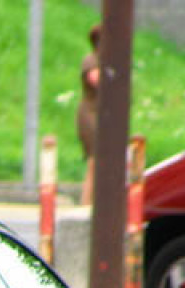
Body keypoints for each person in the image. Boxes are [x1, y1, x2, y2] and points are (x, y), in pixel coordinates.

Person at [78, 23, 102, 205]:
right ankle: (86, 202)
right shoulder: (92, 60)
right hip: (90, 114)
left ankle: (95, 201)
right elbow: (96, 80)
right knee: (95, 160)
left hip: (103, 116)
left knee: (102, 161)